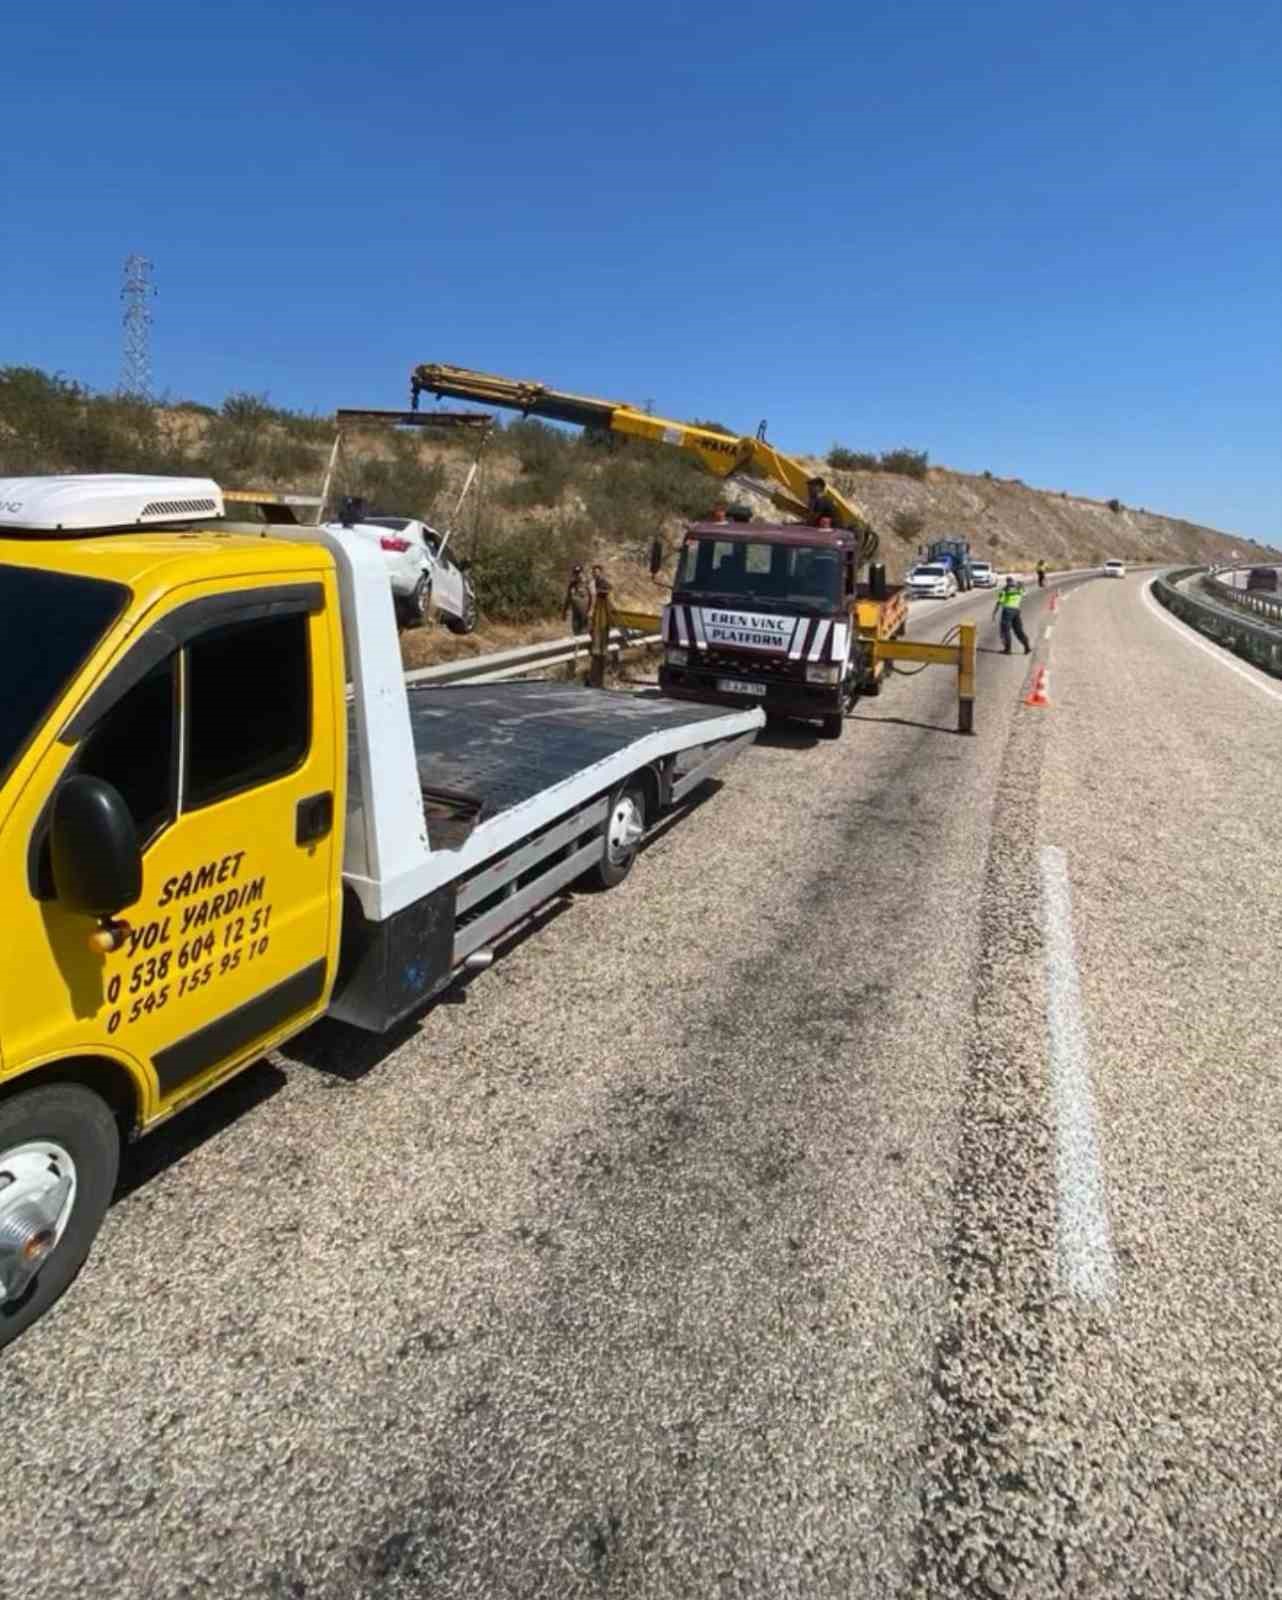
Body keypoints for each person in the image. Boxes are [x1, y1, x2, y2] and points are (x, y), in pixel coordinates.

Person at [993, 575, 1032, 654]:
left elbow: (999, 602)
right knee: (1019, 630)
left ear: (1007, 582)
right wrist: (1022, 586)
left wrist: (994, 612)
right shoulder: (1018, 589)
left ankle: (1008, 650)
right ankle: (1027, 647)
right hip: (1016, 611)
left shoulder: (1005, 589)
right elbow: (1024, 593)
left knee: (1005, 631)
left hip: (1007, 611)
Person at [563, 564, 592, 635]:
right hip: (576, 616)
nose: (578, 575)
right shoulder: (572, 585)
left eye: (579, 572)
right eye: (576, 573)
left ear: (582, 573)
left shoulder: (588, 583)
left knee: (587, 635)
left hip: (586, 615)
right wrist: (564, 612)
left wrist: (591, 610)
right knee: (577, 635)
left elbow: (593, 597)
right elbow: (568, 599)